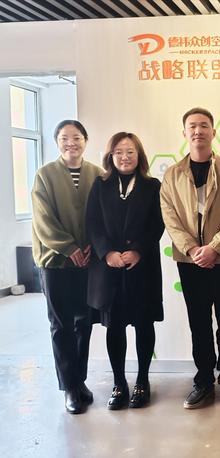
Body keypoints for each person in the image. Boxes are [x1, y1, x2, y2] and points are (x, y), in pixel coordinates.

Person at [160, 107, 220, 411]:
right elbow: (170, 218)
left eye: (204, 125)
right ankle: (203, 380)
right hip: (190, 261)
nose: (198, 131)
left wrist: (214, 248)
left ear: (213, 131)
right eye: (192, 126)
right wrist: (193, 249)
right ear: (184, 133)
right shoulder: (172, 175)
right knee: (198, 322)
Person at [86, 132, 164, 410]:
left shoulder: (152, 186)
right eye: (119, 152)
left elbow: (158, 223)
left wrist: (138, 250)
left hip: (142, 267)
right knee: (114, 327)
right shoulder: (100, 185)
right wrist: (107, 252)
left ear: (139, 155)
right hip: (109, 269)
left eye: (130, 151)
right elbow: (92, 223)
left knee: (144, 324)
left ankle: (143, 381)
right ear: (111, 156)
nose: (124, 157)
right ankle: (119, 383)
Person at [31, 120, 103, 414]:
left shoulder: (97, 174)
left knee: (84, 323)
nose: (71, 143)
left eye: (76, 137)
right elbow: (43, 219)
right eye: (64, 138)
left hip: (88, 261)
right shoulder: (45, 175)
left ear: (86, 140)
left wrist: (92, 246)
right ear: (56, 142)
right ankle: (69, 388)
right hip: (56, 262)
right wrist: (70, 248)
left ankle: (80, 380)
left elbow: (103, 215)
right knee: (61, 324)